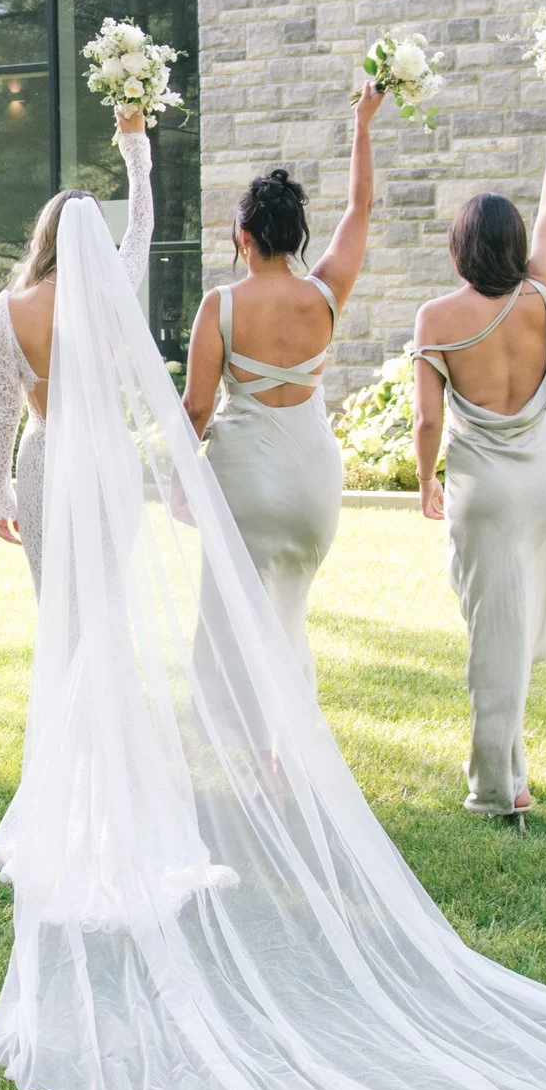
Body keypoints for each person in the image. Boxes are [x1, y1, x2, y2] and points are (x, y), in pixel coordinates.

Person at [0, 197, 546, 1090]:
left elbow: (37, 406)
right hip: (253, 477)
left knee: (80, 638)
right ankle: (237, 758)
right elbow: (181, 259)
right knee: (238, 625)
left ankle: (96, 795)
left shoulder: (29, 311)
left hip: (82, 465)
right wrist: (142, 156)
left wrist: (3, 488)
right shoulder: (163, 299)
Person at [408, 78, 546, 825]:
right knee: (515, 623)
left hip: (484, 485)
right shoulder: (541, 297)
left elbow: (426, 420)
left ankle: (492, 788)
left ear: (459, 248)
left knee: (491, 634)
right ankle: (514, 769)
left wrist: (425, 481)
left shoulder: (437, 317)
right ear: (514, 246)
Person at [179, 84, 375, 686]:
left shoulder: (221, 304)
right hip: (312, 488)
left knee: (233, 624)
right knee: (287, 617)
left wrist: (179, 477)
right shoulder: (326, 293)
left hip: (245, 486)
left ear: (244, 237)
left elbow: (196, 408)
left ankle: (245, 726)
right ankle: (286, 725)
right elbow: (360, 209)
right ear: (296, 237)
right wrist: (363, 125)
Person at [0, 107, 152, 584]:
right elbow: (140, 226)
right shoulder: (114, 291)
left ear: (45, 236)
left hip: (44, 461)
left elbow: (4, 409)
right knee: (109, 596)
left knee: (54, 601)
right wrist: (134, 144)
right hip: (108, 458)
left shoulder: (9, 308)